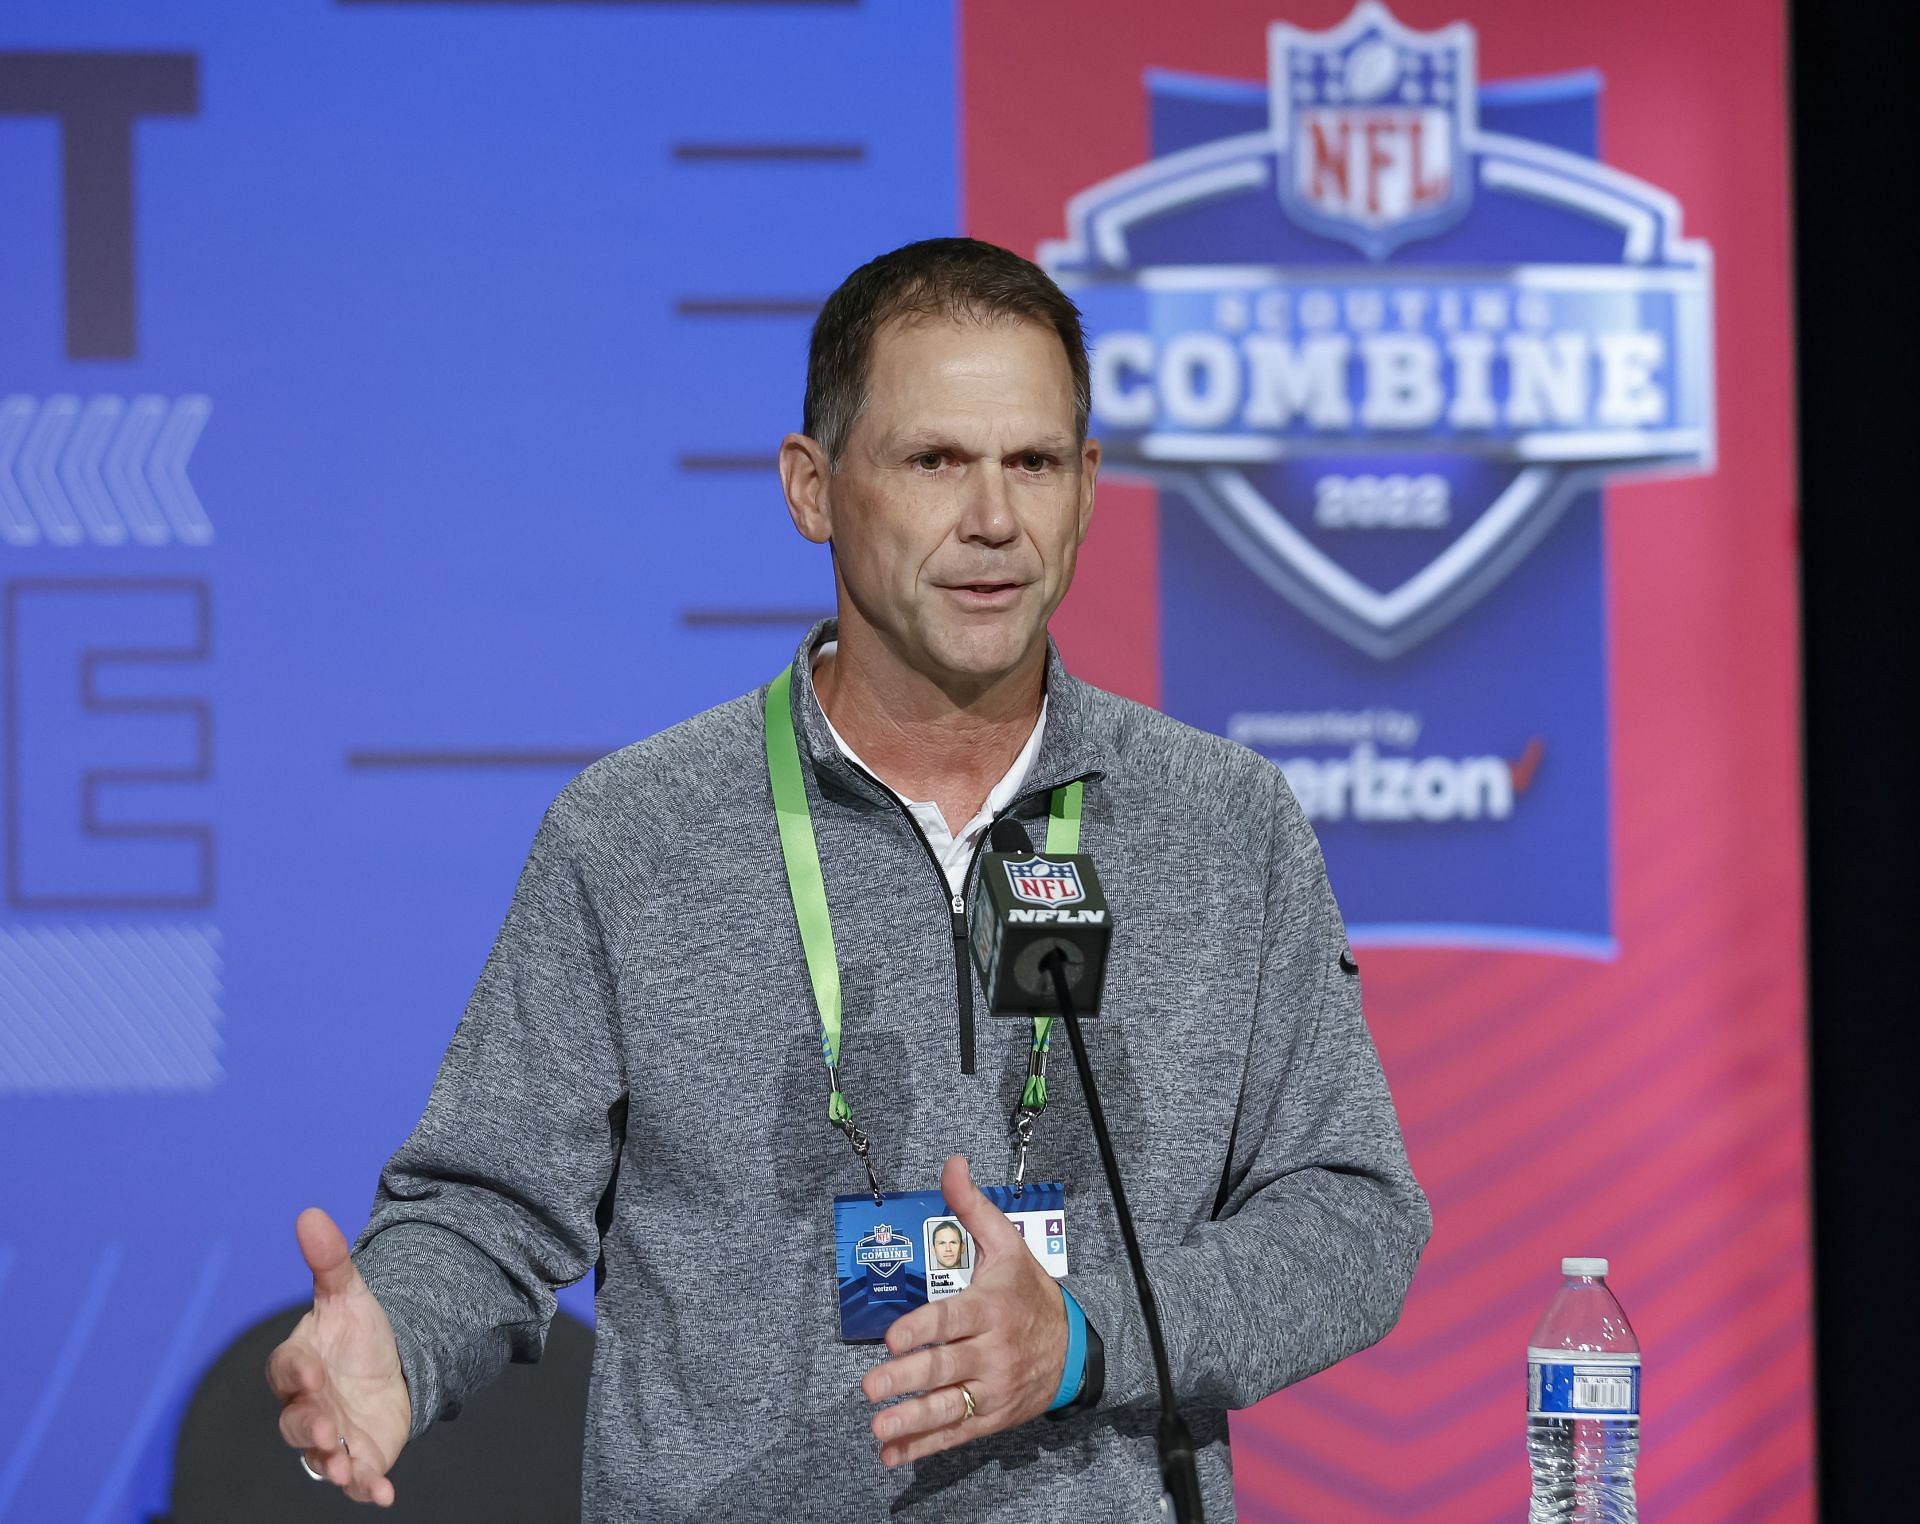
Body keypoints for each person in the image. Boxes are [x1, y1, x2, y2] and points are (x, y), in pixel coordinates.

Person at [266, 237, 1431, 1519]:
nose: (993, 519)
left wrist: (1085, 1336)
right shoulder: (636, 835)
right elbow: (487, 1212)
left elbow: (1350, 1216)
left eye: (1033, 462)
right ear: (812, 489)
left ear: (1089, 487)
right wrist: (399, 1343)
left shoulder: (1222, 827)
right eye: (935, 460)